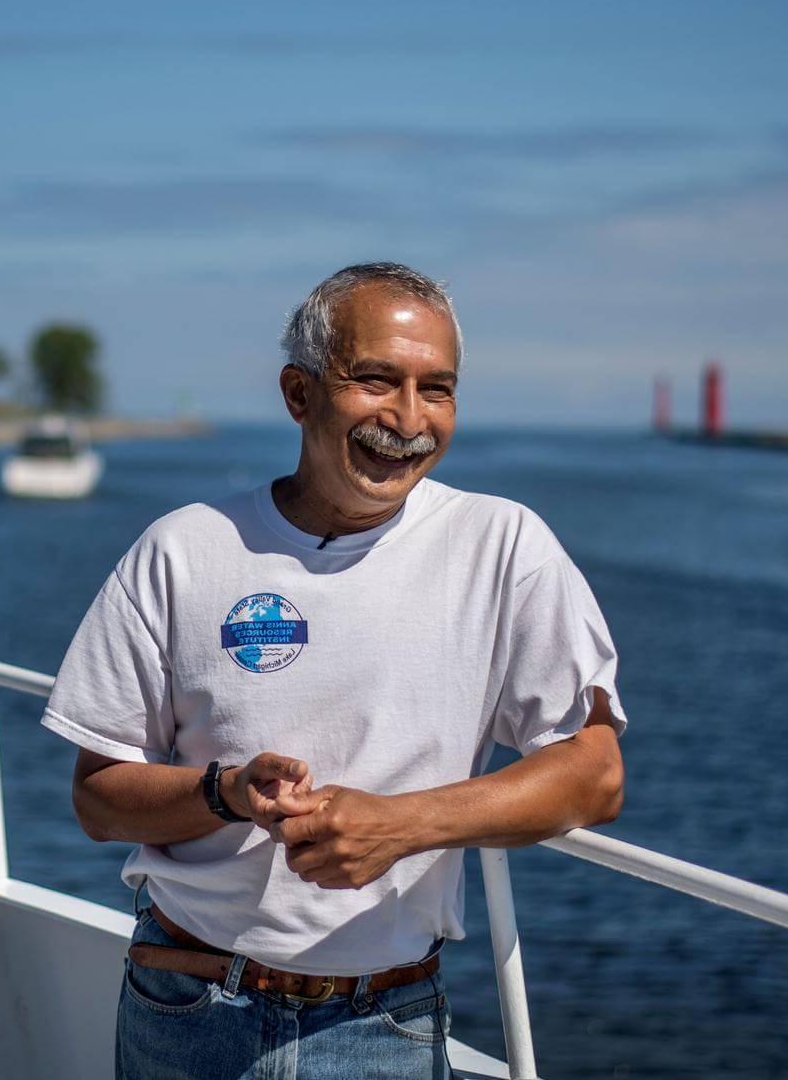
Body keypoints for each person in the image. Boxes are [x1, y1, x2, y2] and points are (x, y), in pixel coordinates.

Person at [40, 262, 626, 1079]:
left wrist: (401, 826)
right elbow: (98, 799)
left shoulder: (504, 548)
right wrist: (226, 793)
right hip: (183, 1005)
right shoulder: (184, 549)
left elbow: (595, 774)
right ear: (299, 392)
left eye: (438, 389)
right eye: (376, 380)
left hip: (381, 1024)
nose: (409, 419)